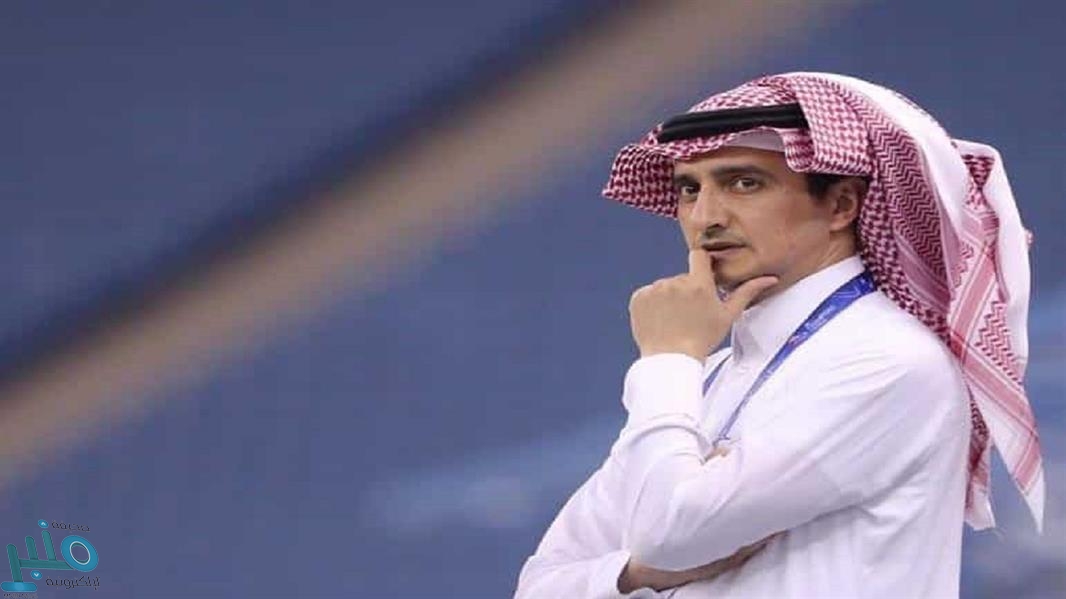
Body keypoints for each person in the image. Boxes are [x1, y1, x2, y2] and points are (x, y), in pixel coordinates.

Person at [513, 73, 1043, 598]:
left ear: (841, 205)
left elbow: (667, 533)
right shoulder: (708, 375)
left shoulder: (889, 362)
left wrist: (666, 360)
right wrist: (634, 575)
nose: (705, 217)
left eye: (744, 183)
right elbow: (541, 585)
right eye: (689, 189)